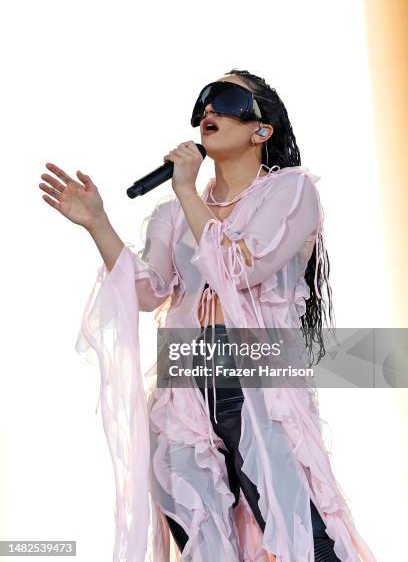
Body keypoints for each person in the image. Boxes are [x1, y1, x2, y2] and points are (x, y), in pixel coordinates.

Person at [39, 69, 377, 562]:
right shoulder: (174, 211)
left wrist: (188, 192)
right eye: (203, 103)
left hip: (256, 380)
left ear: (262, 130)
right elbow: (147, 291)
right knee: (199, 539)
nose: (209, 112)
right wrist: (98, 223)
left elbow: (239, 268)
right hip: (183, 390)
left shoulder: (288, 193)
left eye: (224, 99)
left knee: (299, 535)